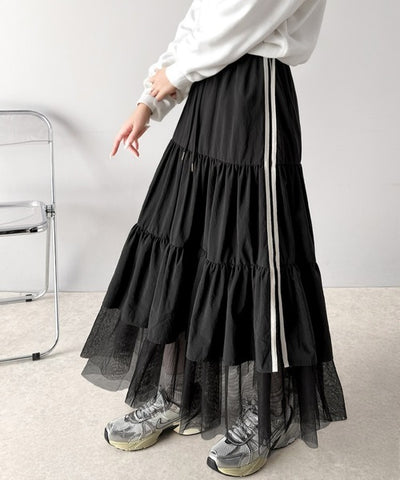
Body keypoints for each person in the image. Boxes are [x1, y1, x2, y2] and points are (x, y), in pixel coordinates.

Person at [80, 0, 348, 476]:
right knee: (185, 241)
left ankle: (270, 411)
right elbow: (203, 15)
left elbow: (244, 15)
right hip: (206, 93)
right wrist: (150, 100)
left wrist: (177, 74)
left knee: (259, 257)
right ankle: (176, 393)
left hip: (256, 94)